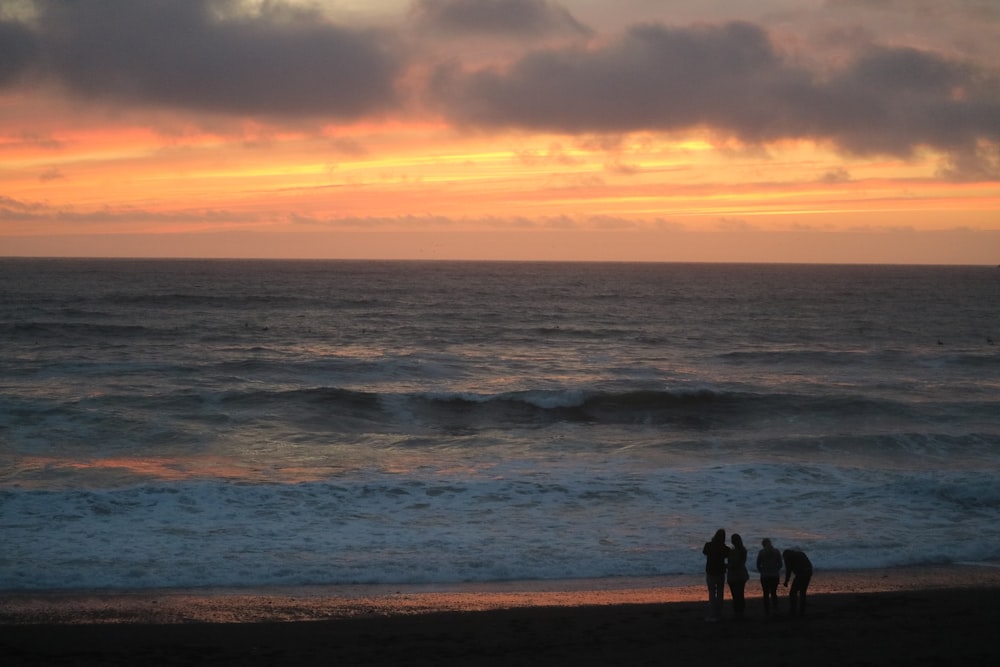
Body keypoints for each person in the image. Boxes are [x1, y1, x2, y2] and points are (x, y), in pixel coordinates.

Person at [702, 529, 730, 621]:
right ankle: (719, 614)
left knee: (712, 593)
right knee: (720, 593)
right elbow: (728, 555)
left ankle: (712, 614)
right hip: (720, 572)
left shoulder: (709, 545)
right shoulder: (725, 548)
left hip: (710, 571)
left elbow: (704, 552)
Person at [756, 538, 783, 617]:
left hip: (765, 576)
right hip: (774, 575)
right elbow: (780, 564)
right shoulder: (776, 551)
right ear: (770, 543)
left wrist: (762, 571)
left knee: (765, 593)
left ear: (763, 545)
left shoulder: (761, 552)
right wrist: (775, 570)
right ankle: (775, 608)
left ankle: (766, 610)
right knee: (774, 593)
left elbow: (758, 564)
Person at [782, 548, 813, 617]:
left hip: (801, 573)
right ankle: (802, 611)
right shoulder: (801, 553)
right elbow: (809, 564)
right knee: (803, 592)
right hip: (809, 571)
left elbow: (788, 571)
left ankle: (793, 611)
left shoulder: (788, 557)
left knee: (792, 592)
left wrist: (786, 581)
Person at [727, 533, 749, 619]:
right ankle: (740, 613)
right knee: (740, 594)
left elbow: (734, 564)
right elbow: (740, 563)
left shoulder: (734, 551)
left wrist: (727, 566)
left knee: (735, 595)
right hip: (742, 574)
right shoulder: (743, 550)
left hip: (734, 575)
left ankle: (737, 613)